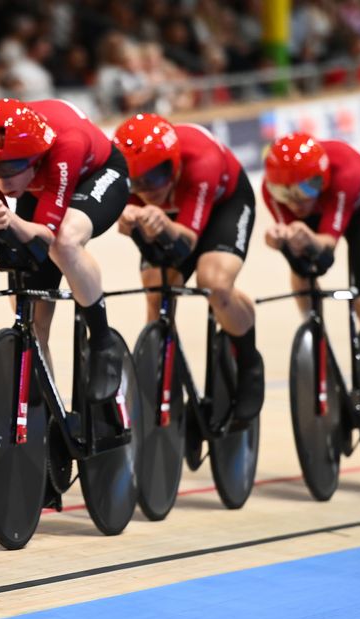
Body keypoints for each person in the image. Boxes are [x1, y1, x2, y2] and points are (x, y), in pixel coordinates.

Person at [0, 98, 130, 402]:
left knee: (65, 243)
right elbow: (8, 235)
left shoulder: (67, 146)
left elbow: (46, 237)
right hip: (39, 184)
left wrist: (10, 220)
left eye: (11, 167)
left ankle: (103, 343)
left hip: (95, 174)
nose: (1, 179)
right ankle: (50, 408)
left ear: (36, 156)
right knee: (33, 313)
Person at [261, 133, 360, 458]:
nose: (297, 200)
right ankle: (313, 333)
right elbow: (306, 257)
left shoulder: (346, 173)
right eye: (286, 193)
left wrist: (305, 238)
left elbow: (326, 249)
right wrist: (286, 240)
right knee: (302, 270)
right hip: (322, 216)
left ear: (322, 178)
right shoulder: (276, 194)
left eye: (307, 188)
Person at [113, 113, 264, 424]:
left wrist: (161, 224)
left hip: (224, 206)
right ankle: (170, 382)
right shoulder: (122, 172)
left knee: (215, 284)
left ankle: (249, 363)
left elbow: (187, 243)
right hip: (173, 217)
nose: (147, 188)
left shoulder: (202, 161)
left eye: (156, 176)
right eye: (137, 181)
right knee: (156, 293)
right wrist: (128, 222)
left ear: (176, 162)